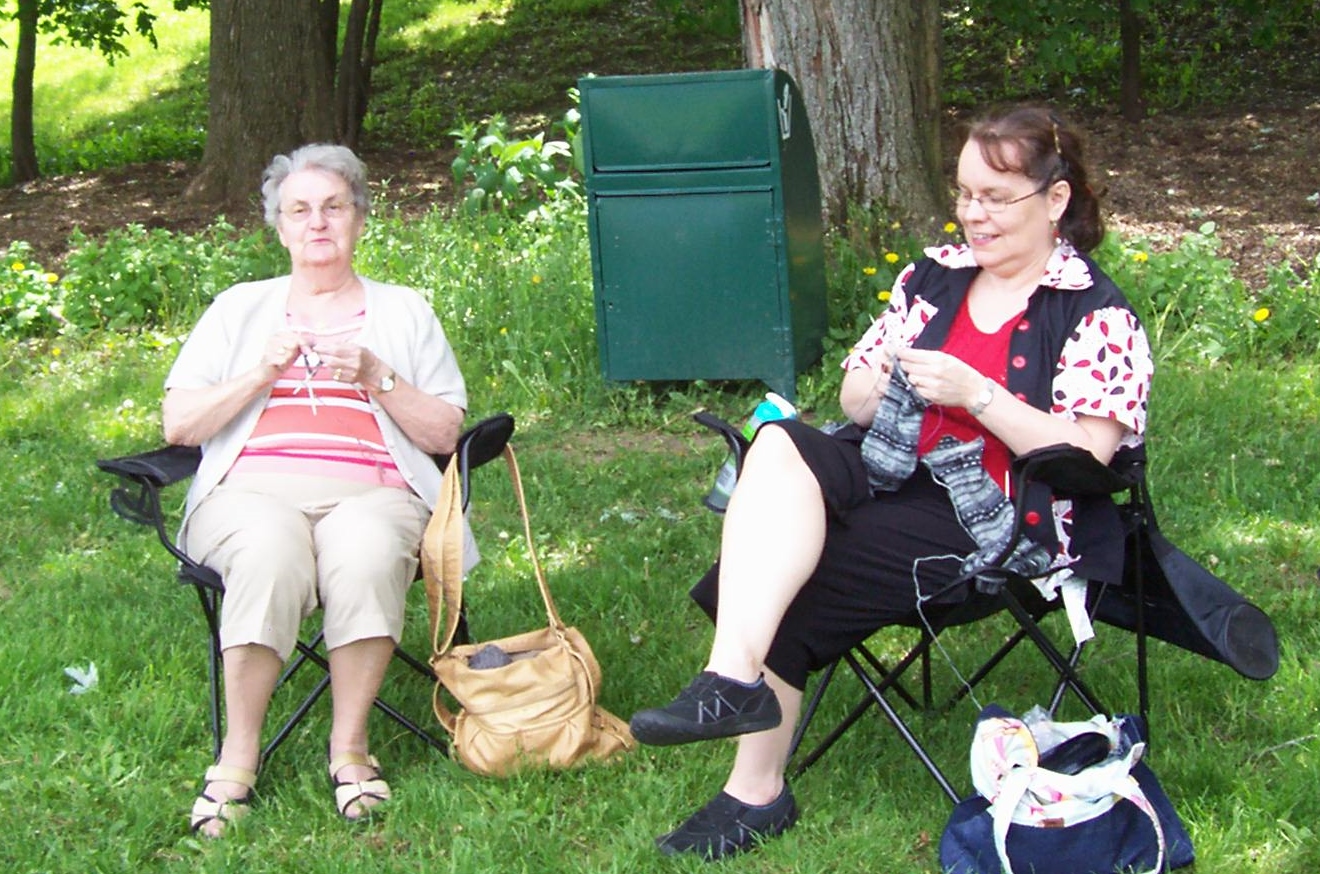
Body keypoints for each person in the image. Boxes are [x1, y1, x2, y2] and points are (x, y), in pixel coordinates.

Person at [628, 104, 1154, 860]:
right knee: (777, 443)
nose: (973, 213)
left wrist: (978, 395)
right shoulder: (934, 276)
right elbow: (854, 396)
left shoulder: (1095, 313)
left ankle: (754, 793)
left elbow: (1089, 455)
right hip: (889, 469)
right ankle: (729, 679)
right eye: (965, 193)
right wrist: (882, 387)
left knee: (793, 573)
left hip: (993, 517)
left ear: (1055, 199)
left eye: (995, 197)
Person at [163, 144, 470, 837]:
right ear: (279, 227)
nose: (318, 222)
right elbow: (180, 424)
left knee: (365, 550)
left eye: (334, 206)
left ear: (360, 217)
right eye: (299, 210)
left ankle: (350, 749)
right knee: (269, 551)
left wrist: (377, 376)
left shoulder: (404, 310)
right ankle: (237, 757)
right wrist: (257, 376)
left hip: (375, 491)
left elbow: (445, 431)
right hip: (249, 493)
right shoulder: (239, 308)